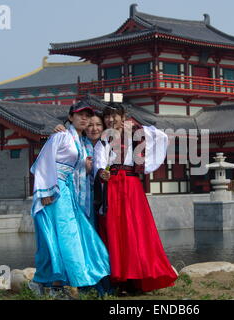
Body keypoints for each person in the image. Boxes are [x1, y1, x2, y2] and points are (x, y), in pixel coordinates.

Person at [29, 101, 110, 298]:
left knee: (66, 235)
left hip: (67, 190)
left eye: (88, 115)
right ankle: (57, 283)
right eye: (80, 114)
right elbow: (42, 163)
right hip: (55, 189)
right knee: (65, 235)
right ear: (70, 117)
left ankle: (52, 282)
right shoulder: (61, 135)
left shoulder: (80, 141)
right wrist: (46, 191)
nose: (85, 118)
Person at [95, 105, 178, 293]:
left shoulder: (136, 134)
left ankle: (138, 278)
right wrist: (101, 172)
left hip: (132, 187)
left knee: (136, 231)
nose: (111, 120)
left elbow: (162, 137)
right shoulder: (103, 139)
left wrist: (138, 126)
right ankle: (121, 280)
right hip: (113, 186)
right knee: (117, 232)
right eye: (107, 116)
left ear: (124, 117)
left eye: (115, 116)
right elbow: (99, 162)